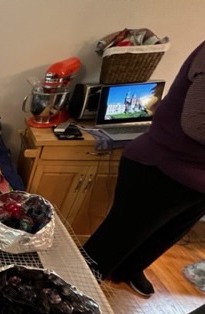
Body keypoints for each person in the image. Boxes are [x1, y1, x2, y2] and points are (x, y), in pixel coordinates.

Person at [83, 40, 205, 297]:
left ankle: (129, 269)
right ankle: (74, 287)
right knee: (113, 242)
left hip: (198, 182)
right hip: (162, 169)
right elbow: (196, 124)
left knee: (163, 237)